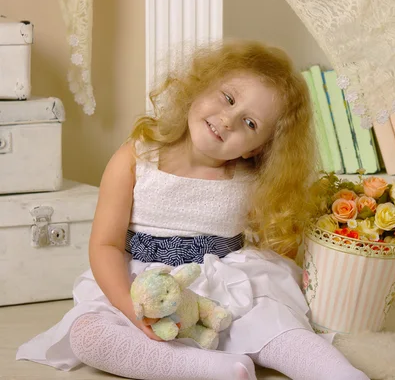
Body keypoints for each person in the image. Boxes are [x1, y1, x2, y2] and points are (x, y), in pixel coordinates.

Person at [16, 40, 369, 380]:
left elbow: (274, 236)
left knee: (278, 325)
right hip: (142, 286)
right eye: (228, 98)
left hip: (220, 282)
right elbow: (105, 244)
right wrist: (131, 309)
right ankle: (208, 369)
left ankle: (341, 374)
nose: (228, 119)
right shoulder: (136, 157)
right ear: (200, 87)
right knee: (87, 336)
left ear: (257, 150)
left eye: (250, 124)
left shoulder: (248, 180)